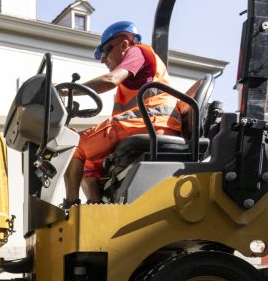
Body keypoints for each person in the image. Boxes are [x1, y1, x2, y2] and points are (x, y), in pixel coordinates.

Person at [62, 21, 182, 206]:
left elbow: (111, 79)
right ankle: (95, 206)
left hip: (154, 121)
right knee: (90, 162)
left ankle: (70, 205)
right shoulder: (128, 87)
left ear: (124, 44)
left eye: (106, 51)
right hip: (143, 124)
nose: (103, 59)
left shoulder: (137, 51)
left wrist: (63, 90)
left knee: (74, 144)